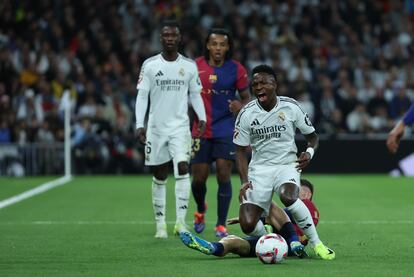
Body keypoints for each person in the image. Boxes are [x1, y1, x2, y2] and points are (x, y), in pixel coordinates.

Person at [233, 64, 335, 260]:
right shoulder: (246, 114)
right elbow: (239, 151)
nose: (259, 87)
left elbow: (313, 138)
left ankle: (317, 244)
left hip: (287, 165)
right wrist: (244, 181)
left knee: (288, 196)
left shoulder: (291, 107)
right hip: (259, 169)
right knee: (247, 224)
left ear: (275, 84)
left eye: (263, 83)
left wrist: (309, 153)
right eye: (255, 84)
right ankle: (271, 241)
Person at [135, 20, 207, 239]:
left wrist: (202, 118)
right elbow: (142, 96)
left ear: (179, 38)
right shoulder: (150, 65)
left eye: (173, 35)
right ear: (161, 38)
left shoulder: (189, 66)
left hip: (180, 127)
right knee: (160, 173)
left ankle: (180, 223)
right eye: (165, 35)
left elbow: (195, 94)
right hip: (156, 128)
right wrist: (140, 124)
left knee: (183, 167)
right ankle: (160, 224)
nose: (169, 39)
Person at [191, 28, 250, 237]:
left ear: (228, 47)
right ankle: (200, 210)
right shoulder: (194, 66)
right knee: (199, 179)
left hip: (226, 128)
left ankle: (221, 224)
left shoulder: (236, 69)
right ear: (207, 45)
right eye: (214, 44)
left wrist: (240, 105)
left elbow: (248, 98)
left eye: (222, 44)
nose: (218, 48)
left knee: (224, 173)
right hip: (200, 129)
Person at [179, 179, 319, 258]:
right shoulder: (291, 210)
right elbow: (280, 216)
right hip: (271, 242)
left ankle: (294, 242)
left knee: (268, 203)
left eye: (300, 190)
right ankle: (212, 247)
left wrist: (256, 216)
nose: (293, 193)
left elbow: (283, 216)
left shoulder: (308, 206)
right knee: (233, 242)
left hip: (288, 242)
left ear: (308, 194)